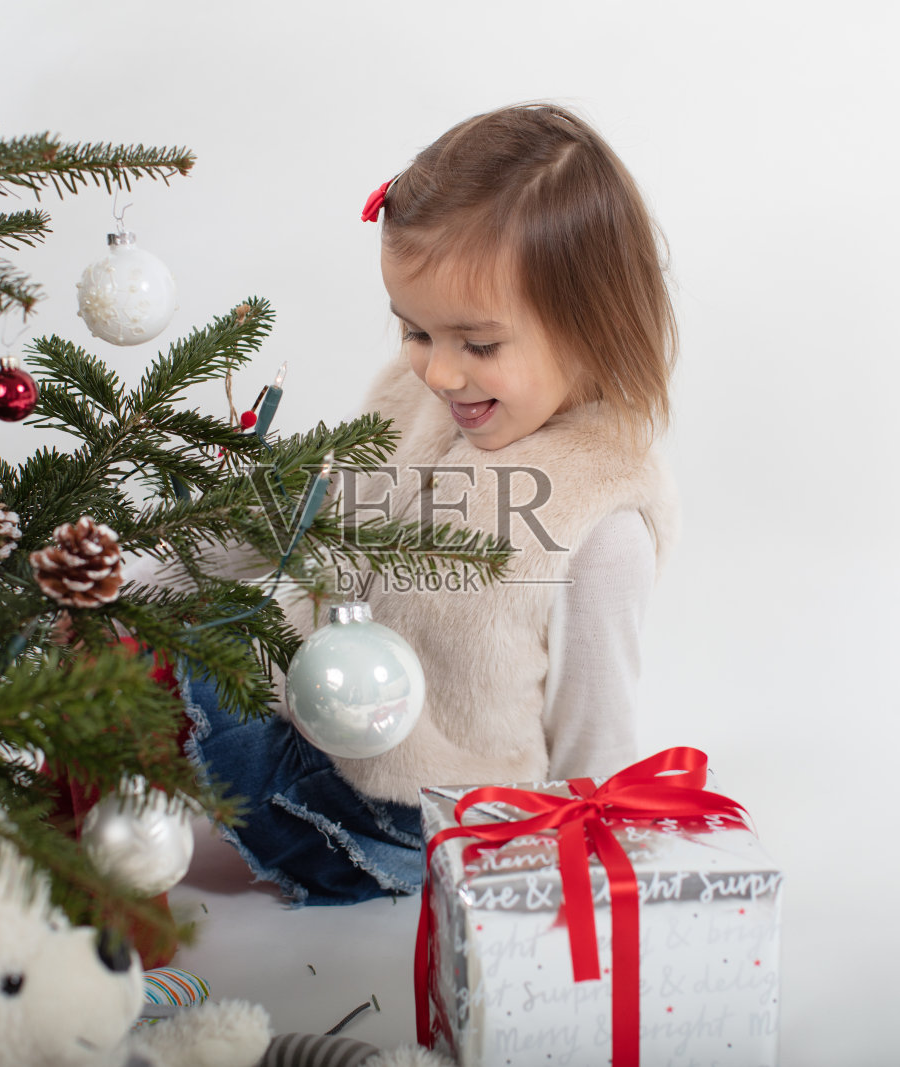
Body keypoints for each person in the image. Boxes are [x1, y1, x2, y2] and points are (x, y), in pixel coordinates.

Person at [167, 103, 675, 905]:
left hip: (412, 808)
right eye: (415, 331)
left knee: (172, 700)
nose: (439, 373)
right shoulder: (419, 397)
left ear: (592, 329)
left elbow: (595, 731)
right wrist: (145, 573)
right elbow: (308, 510)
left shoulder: (601, 521)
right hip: (318, 707)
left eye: (477, 345)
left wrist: (584, 870)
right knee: (145, 656)